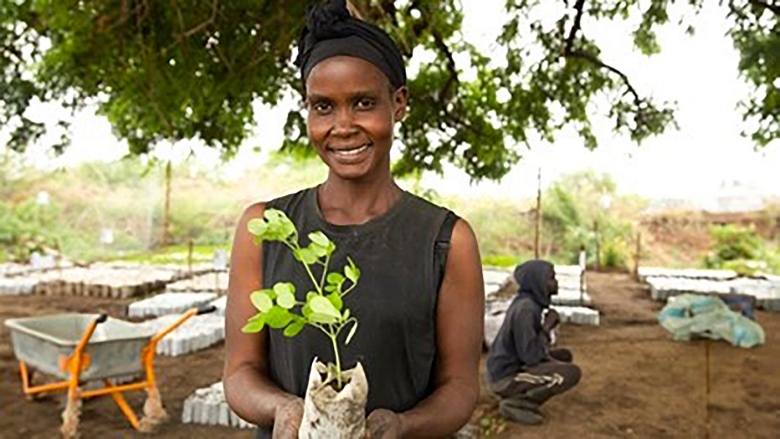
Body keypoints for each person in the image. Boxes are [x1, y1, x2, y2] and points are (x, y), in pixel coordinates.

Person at [222, 1, 485, 438]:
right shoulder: (268, 230)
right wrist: (286, 410)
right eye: (323, 107)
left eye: (363, 103)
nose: (342, 126)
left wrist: (401, 425)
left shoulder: (445, 241)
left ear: (398, 104)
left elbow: (459, 387)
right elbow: (240, 372)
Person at [486, 260, 581, 425]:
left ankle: (520, 395)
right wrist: (546, 328)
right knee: (571, 373)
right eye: (551, 278)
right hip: (506, 377)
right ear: (537, 282)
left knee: (564, 356)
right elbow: (531, 357)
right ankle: (517, 403)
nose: (556, 282)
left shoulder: (531, 305)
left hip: (516, 365)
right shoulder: (526, 309)